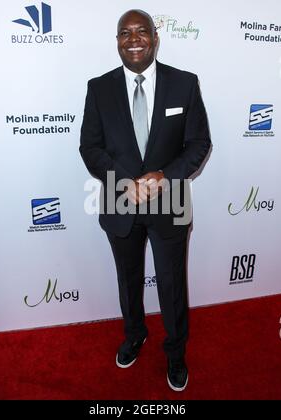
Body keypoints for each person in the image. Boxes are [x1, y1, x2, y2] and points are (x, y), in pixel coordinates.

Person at [80, 9, 211, 392]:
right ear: (117, 41)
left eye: (141, 31)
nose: (133, 38)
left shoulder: (184, 84)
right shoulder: (98, 88)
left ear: (155, 38)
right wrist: (125, 182)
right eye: (125, 32)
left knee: (172, 283)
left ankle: (175, 352)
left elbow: (199, 143)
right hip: (120, 202)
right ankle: (135, 335)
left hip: (169, 202)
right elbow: (90, 148)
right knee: (129, 279)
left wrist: (164, 177)